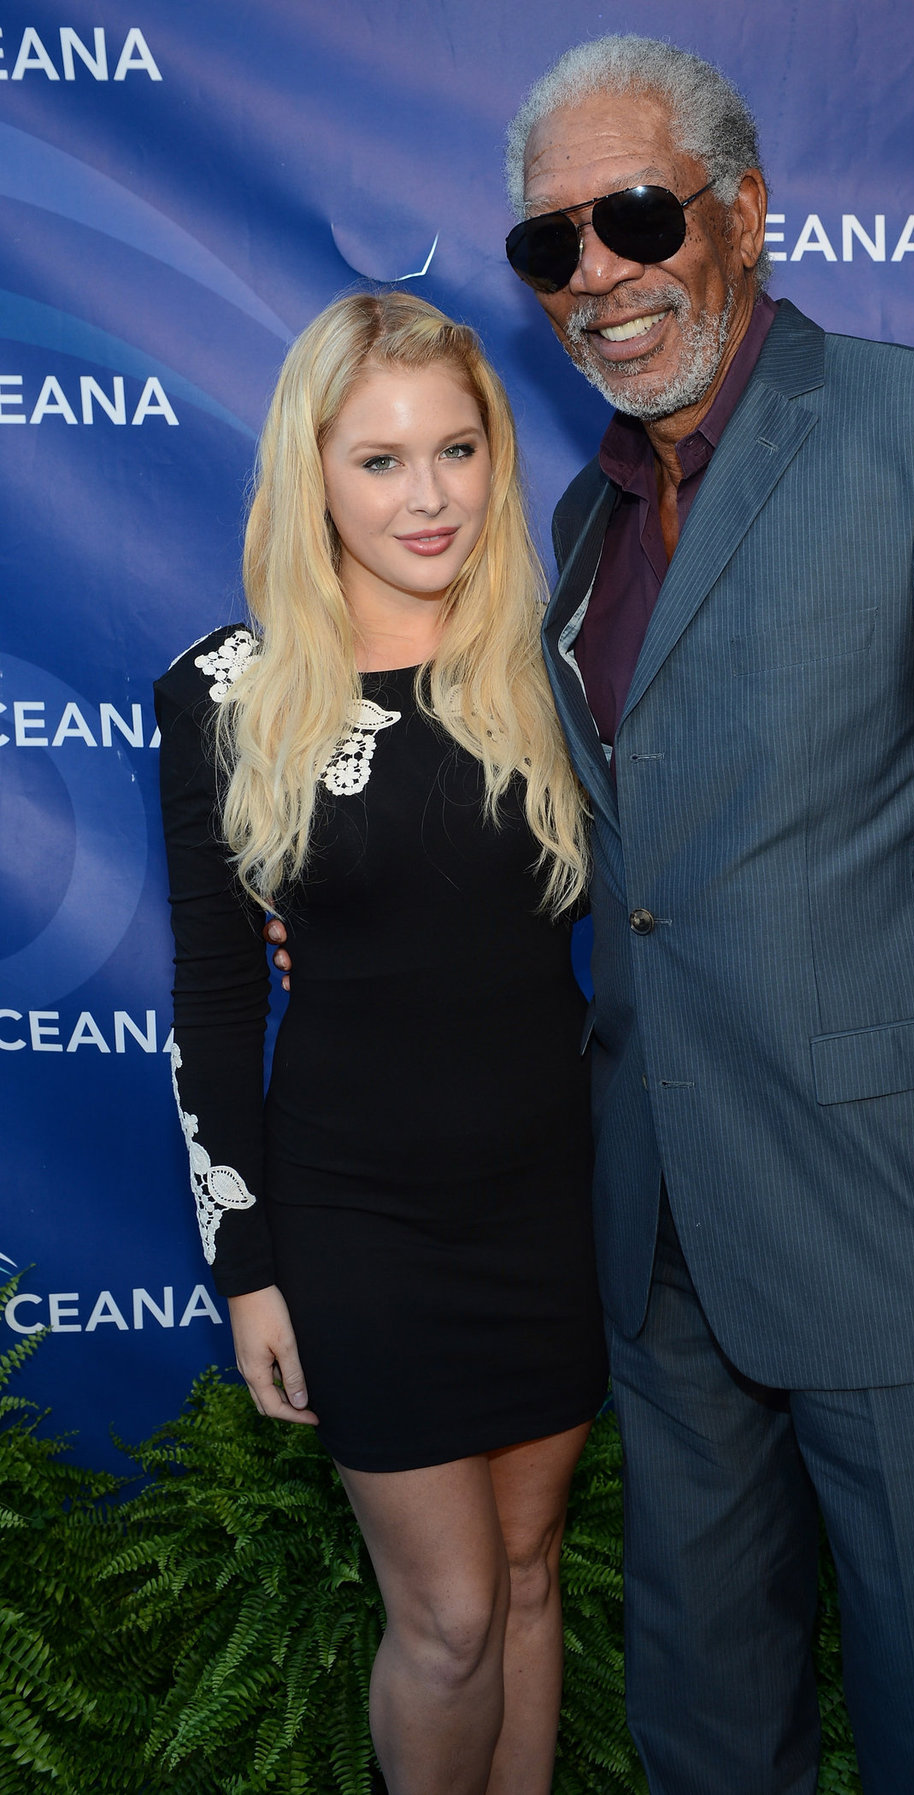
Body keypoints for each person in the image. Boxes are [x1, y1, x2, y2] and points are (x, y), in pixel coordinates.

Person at [502, 34, 914, 1795]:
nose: (597, 275)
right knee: (705, 1730)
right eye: (549, 243)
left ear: (740, 213)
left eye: (633, 216)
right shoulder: (583, 518)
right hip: (661, 1245)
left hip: (903, 1244)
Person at [155, 290, 607, 1795]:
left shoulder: (561, 670)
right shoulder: (226, 694)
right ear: (313, 474)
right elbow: (216, 1001)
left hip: (553, 1201)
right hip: (363, 1220)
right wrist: (249, 1264)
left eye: (458, 449)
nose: (428, 497)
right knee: (453, 1613)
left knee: (531, 1570)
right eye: (381, 460)